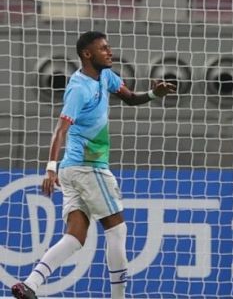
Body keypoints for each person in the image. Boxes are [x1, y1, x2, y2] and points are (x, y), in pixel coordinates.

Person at [11, 31, 176, 299]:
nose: (109, 52)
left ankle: (30, 284)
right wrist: (50, 167)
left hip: (73, 171)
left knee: (75, 237)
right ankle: (119, 296)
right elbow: (60, 129)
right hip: (88, 168)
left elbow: (131, 98)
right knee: (117, 229)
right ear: (87, 54)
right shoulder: (78, 88)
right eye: (103, 48)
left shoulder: (106, 76)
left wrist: (153, 94)